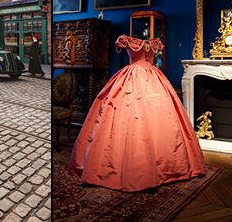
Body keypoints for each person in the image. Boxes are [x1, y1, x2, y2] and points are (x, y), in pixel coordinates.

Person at [69, 35, 207, 192]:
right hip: (150, 76)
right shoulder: (148, 44)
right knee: (158, 116)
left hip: (136, 75)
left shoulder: (133, 42)